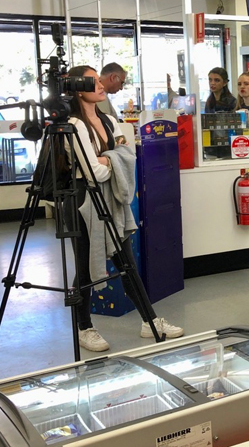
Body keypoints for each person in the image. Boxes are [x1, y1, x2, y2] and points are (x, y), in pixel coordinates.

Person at [64, 65, 183, 352]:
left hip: (111, 199)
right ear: (78, 89)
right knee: (85, 266)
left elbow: (127, 155)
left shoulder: (108, 120)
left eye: (98, 80)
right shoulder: (73, 125)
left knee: (127, 263)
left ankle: (150, 321)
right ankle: (84, 327)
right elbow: (93, 172)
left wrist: (107, 160)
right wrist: (111, 160)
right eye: (92, 81)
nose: (100, 85)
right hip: (82, 201)